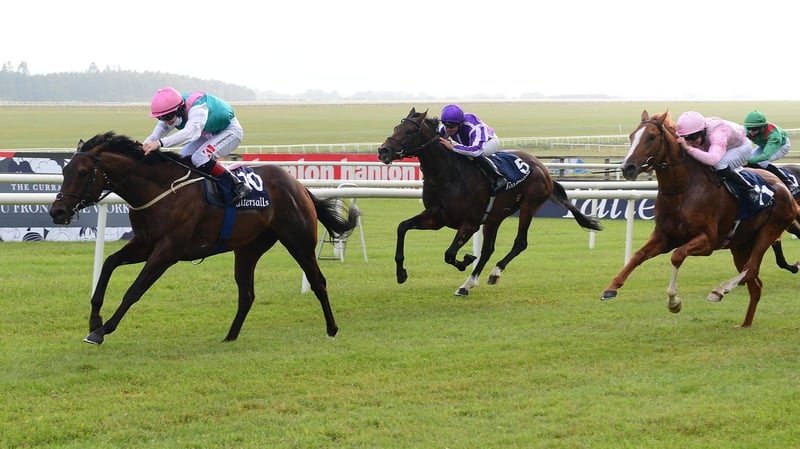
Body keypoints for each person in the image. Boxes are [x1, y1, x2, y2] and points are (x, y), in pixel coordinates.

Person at [142, 87, 252, 203]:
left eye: (168, 117)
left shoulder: (198, 108)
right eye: (161, 118)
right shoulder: (170, 113)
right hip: (208, 132)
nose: (166, 121)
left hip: (230, 131)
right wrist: (143, 146)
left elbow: (191, 133)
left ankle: (237, 185)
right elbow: (154, 137)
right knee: (183, 157)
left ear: (179, 109)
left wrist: (160, 143)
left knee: (199, 157)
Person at [675, 111, 761, 204]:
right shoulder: (696, 130)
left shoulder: (717, 133)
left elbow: (713, 160)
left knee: (719, 164)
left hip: (740, 147)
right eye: (686, 138)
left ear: (703, 131)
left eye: (693, 137)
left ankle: (749, 189)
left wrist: (688, 148)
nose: (690, 141)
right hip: (722, 146)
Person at [437, 104, 507, 193]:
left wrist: (452, 146)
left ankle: (498, 178)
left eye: (451, 127)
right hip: (469, 144)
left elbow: (476, 151)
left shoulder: (475, 127)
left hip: (488, 143)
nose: (448, 130)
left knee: (472, 156)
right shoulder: (446, 127)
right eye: (446, 126)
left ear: (460, 124)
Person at [743, 110, 796, 192]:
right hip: (765, 145)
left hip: (781, 146)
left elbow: (766, 155)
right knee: (750, 160)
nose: (751, 132)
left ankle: (788, 182)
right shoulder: (748, 130)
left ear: (762, 127)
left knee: (762, 162)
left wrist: (748, 161)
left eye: (754, 129)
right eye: (749, 128)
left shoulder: (773, 135)